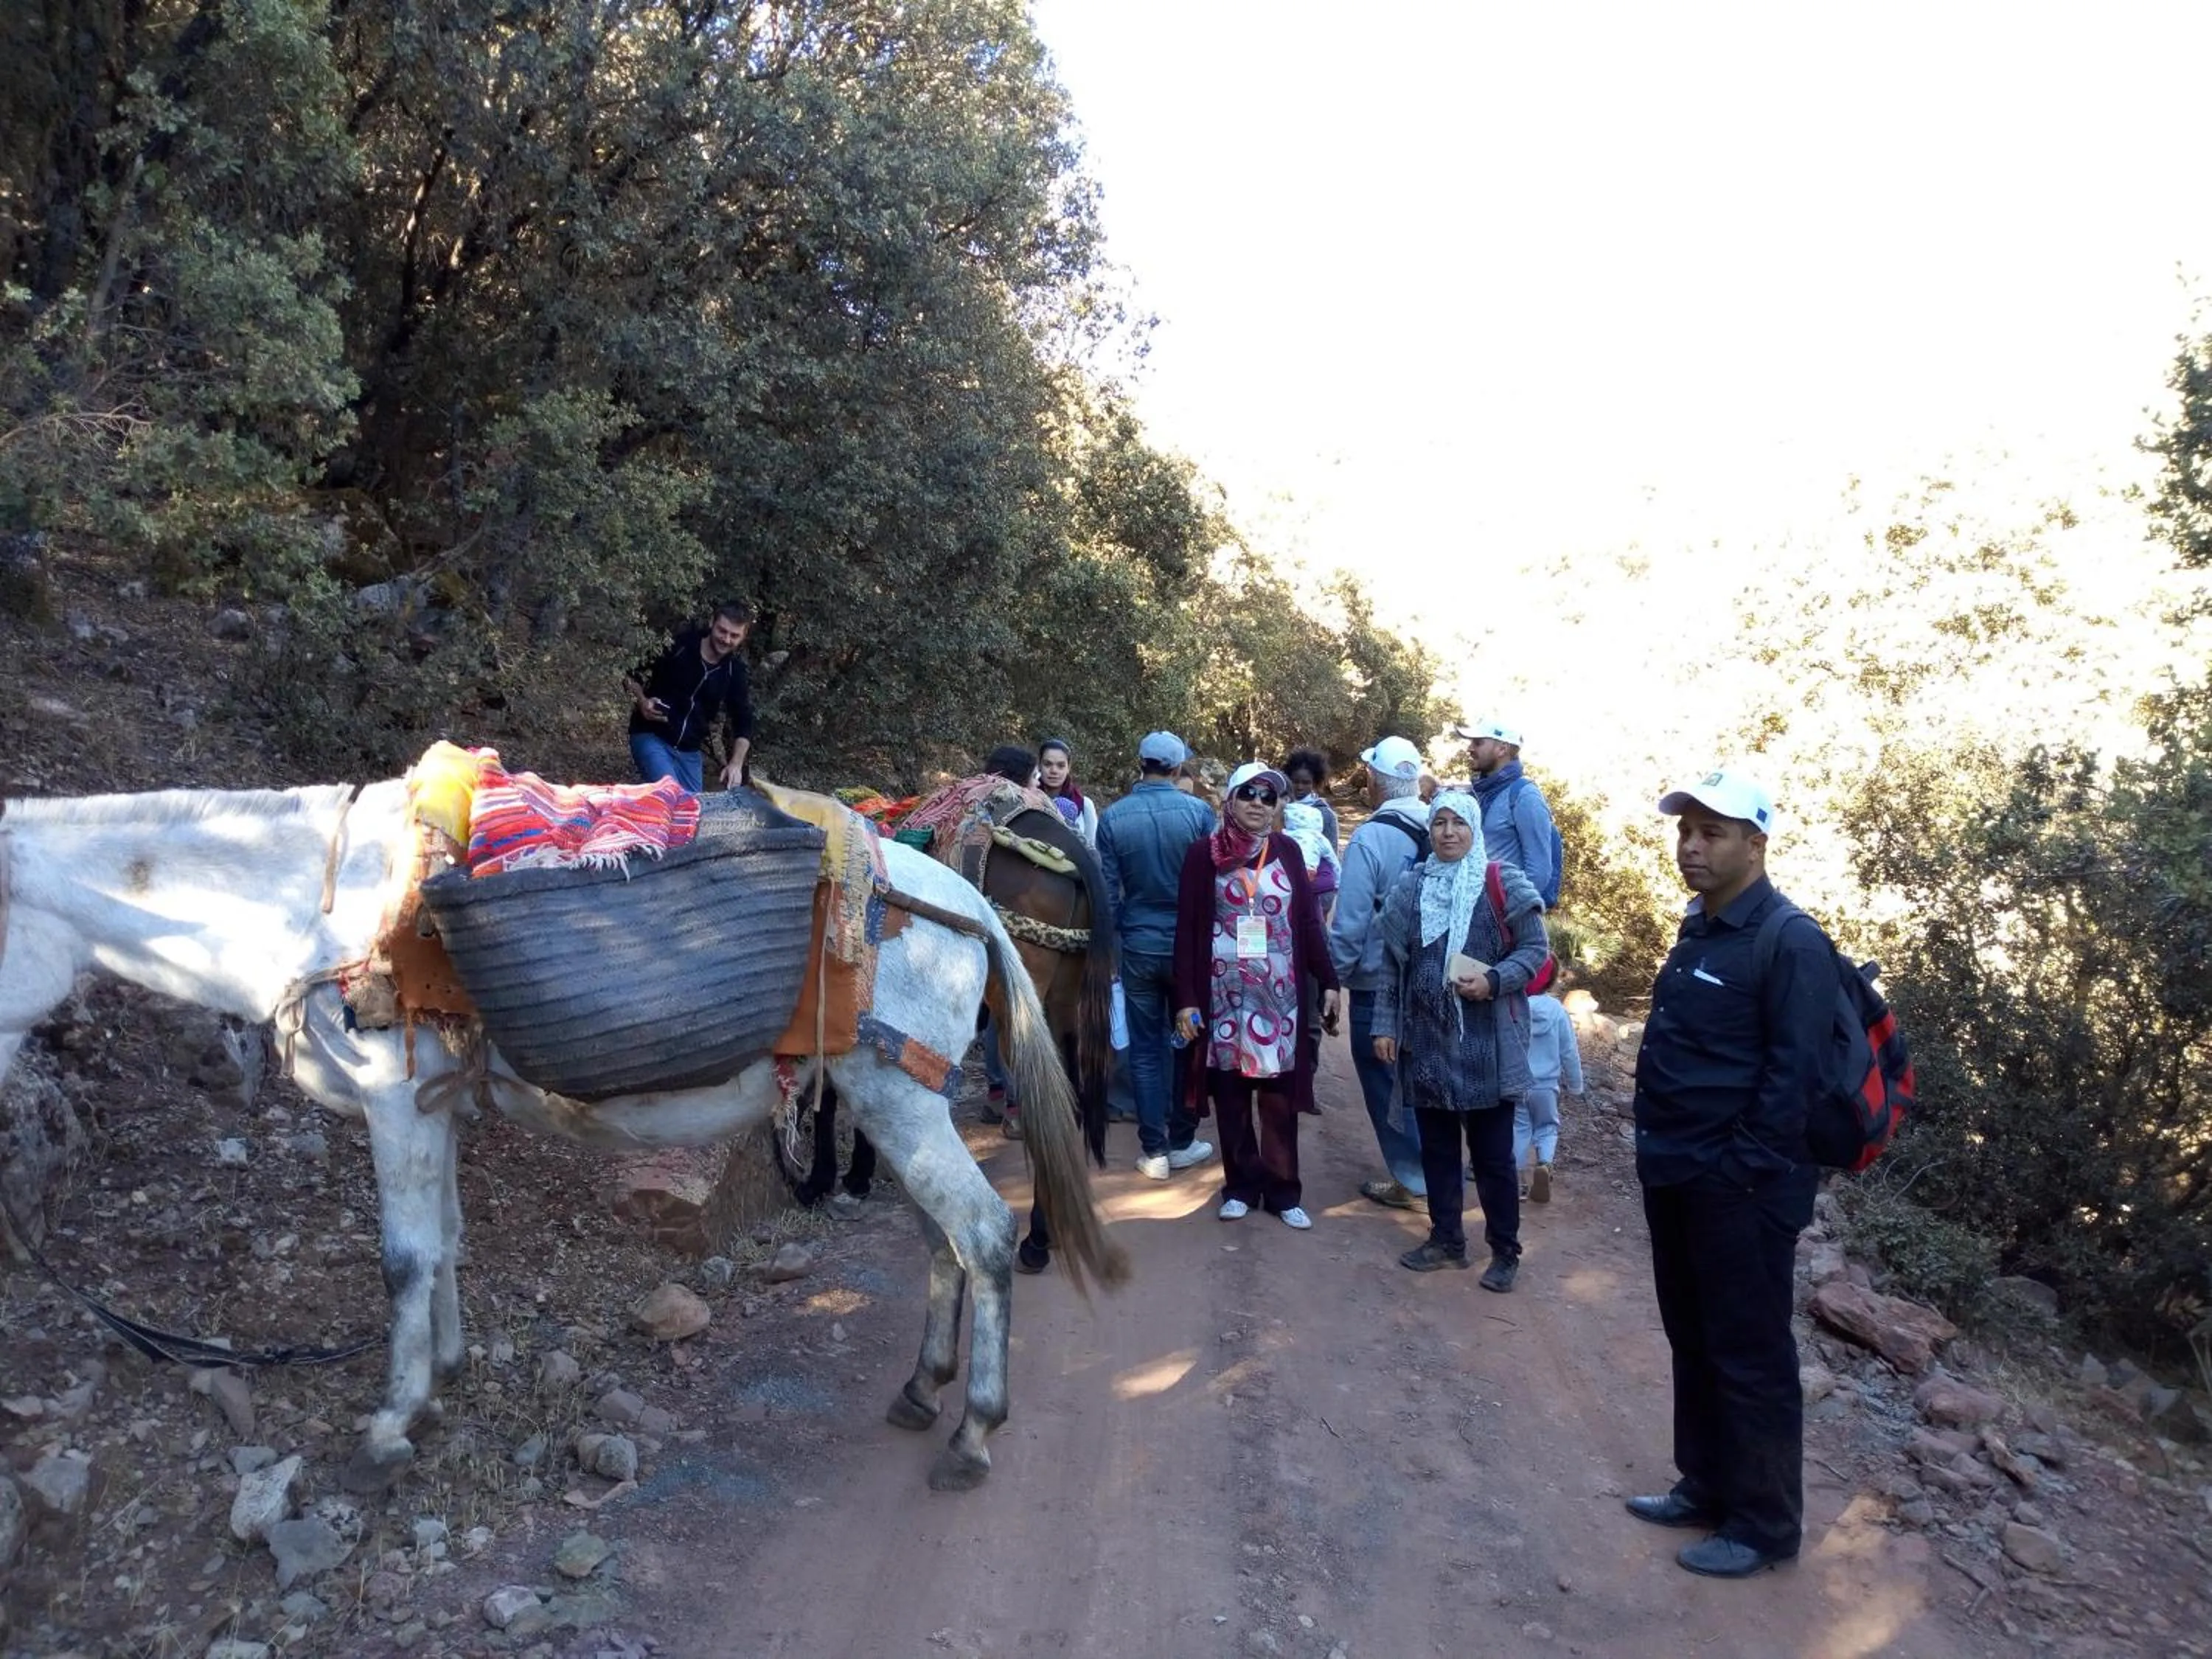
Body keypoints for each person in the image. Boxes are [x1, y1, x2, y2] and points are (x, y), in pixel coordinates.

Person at [1626, 768, 1832, 1579]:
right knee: (1693, 1336)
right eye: (1686, 831)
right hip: (1674, 1170)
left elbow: (1795, 1080)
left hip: (1740, 1188)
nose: (1692, 846)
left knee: (1750, 1353)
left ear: (1757, 844)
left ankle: (1764, 1525)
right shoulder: (1701, 926)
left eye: (1712, 833)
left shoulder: (1792, 939)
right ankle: (1705, 1484)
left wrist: (1735, 1170)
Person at [1370, 791, 1548, 1290]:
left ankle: (1505, 1252)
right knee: (1438, 1150)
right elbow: (1392, 963)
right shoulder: (1413, 887)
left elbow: (1536, 950)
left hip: (1487, 1048)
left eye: (1458, 824)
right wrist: (1385, 1024)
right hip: (1425, 1045)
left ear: (1474, 830)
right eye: (1440, 823)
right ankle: (1447, 1240)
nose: (1448, 833)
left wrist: (1495, 980)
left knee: (1492, 1158)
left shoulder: (1502, 882)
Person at [1173, 762, 1340, 1228]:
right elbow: (1186, 931)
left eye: (1270, 797)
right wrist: (1186, 999)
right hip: (1223, 997)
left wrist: (1329, 980)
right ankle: (1241, 1186)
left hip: (1278, 999)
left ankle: (1285, 1192)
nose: (1259, 804)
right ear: (1230, 799)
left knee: (1278, 1099)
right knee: (1230, 1096)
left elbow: (1308, 923)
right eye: (1249, 794)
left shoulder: (1286, 851)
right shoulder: (1201, 856)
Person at [1095, 731, 1218, 1180]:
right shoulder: (1199, 813)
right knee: (1187, 1042)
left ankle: (1156, 1151)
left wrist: (1108, 951)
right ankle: (1183, 1139)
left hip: (1139, 946)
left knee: (1146, 1050)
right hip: (1189, 949)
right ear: (1178, 768)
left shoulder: (1113, 818)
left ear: (1140, 763)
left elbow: (1108, 895)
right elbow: (1213, 886)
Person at [1326, 736, 1434, 1211]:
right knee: (1428, 1081)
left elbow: (1350, 923)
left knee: (1384, 1083)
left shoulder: (1371, 836)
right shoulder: (1447, 824)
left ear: (1375, 780)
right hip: (1433, 980)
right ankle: (1440, 1174)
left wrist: (1333, 979)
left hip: (1378, 982)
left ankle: (1414, 1180)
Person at [626, 602, 757, 791]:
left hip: (690, 752)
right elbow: (632, 676)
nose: (727, 639)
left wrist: (736, 764)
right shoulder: (679, 645)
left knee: (693, 812)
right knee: (671, 796)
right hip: (652, 735)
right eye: (723, 631)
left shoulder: (733, 672)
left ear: (743, 636)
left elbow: (743, 722)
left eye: (734, 636)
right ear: (712, 623)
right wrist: (643, 701)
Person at [1456, 716, 1558, 902]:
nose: (1470, 748)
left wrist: (1509, 912)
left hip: (1502, 916)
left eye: (1478, 743)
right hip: (1471, 909)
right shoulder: (1480, 793)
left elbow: (1539, 872)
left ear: (1502, 749)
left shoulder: (1525, 796)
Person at [1518, 992, 1584, 1202]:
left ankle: (1517, 1182)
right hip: (1546, 1085)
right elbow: (1569, 1051)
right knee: (1547, 1127)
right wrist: (1576, 1085)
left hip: (1516, 1083)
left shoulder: (1514, 1004)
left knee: (1517, 1130)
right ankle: (1544, 1164)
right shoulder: (1557, 1010)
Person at [1037, 737, 1098, 846]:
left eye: (1061, 766)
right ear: (1040, 766)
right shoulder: (1025, 798)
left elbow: (1091, 848)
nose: (1054, 771)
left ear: (1068, 768)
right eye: (1048, 764)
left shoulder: (1084, 805)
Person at [1283, 748, 1339, 849]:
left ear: (1315, 783)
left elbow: (1331, 851)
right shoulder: (1279, 808)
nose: (1300, 787)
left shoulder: (1325, 815)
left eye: (1306, 783)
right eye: (1295, 782)